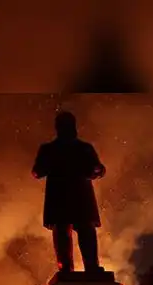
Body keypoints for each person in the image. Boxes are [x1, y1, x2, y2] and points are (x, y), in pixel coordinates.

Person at [32, 111, 107, 274]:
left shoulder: (82, 148)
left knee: (84, 230)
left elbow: (98, 168)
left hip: (75, 196)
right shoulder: (52, 149)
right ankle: (70, 268)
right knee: (65, 231)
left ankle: (89, 267)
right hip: (67, 196)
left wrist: (98, 169)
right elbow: (37, 171)